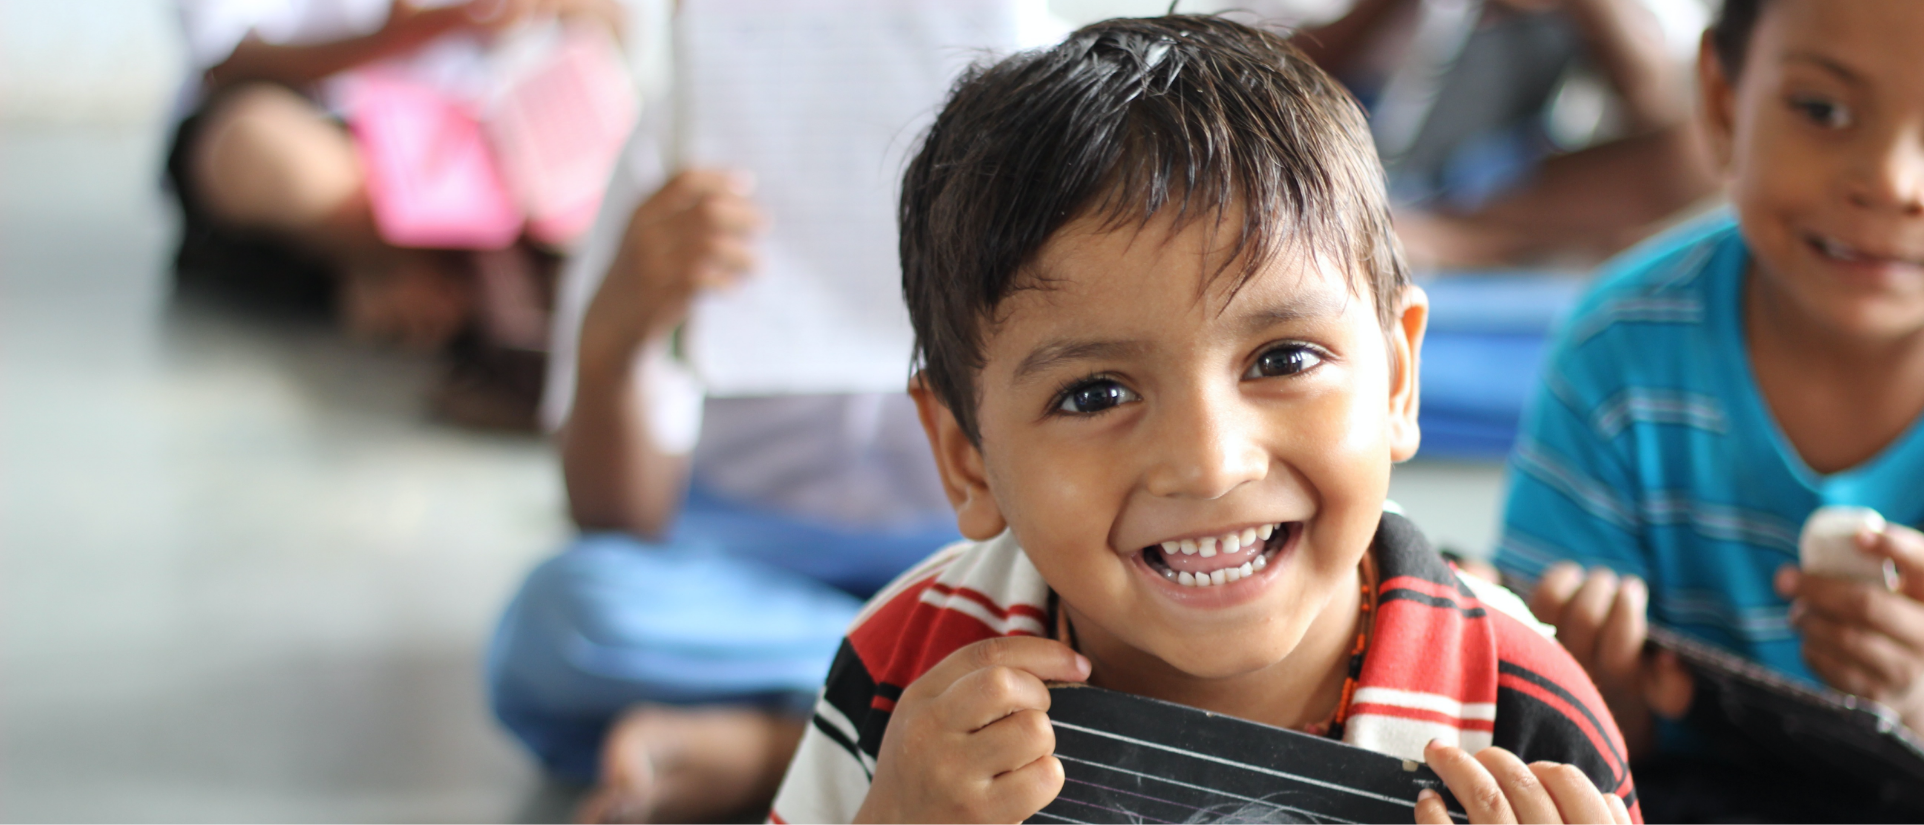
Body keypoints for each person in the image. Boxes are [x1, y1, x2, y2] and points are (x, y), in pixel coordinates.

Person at [769, 17, 1641, 825]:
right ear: (965, 454)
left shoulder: (1526, 722)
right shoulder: (912, 668)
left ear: (1397, 382)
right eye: (1095, 393)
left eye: (1284, 360)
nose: (1210, 462)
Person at [1493, 0, 1924, 819]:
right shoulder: (1618, 354)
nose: (1895, 182)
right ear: (1724, 105)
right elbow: (1523, 697)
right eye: (1823, 110)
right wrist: (1593, 710)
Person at [169, 0, 622, 352]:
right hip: (337, 140)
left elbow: (612, 26)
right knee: (255, 142)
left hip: (485, 149)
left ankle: (413, 280)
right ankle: (445, 276)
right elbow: (226, 62)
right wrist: (410, 33)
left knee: (606, 148)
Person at [1285, 0, 1718, 270]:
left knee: (1701, 152)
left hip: (1495, 192)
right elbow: (1272, 79)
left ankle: (1452, 244)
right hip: (1347, 168)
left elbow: (1659, 109)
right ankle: (1415, 236)